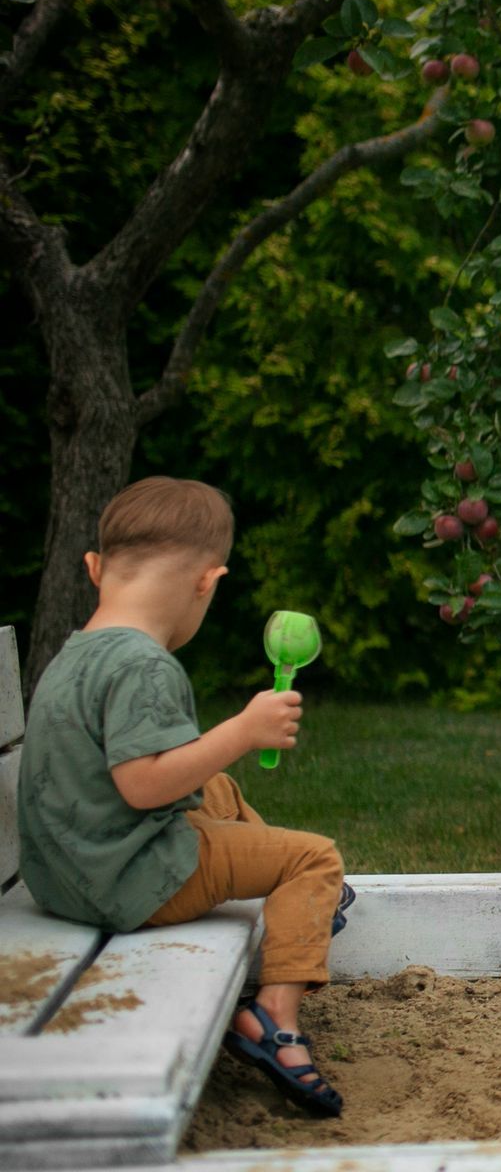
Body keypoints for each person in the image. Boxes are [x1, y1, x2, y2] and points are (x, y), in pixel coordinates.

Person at [18, 477, 350, 1117]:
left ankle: (283, 886)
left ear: (94, 568)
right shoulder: (144, 664)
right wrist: (241, 731)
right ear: (208, 581)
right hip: (130, 880)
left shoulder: (75, 652)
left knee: (215, 786)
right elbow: (143, 787)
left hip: (67, 872)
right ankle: (274, 1023)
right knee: (315, 858)